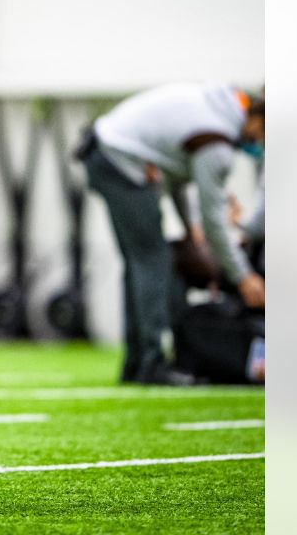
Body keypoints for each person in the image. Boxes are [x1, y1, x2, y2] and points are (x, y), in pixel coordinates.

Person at [78, 82, 264, 384]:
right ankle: (151, 365)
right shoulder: (217, 142)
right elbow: (214, 220)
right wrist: (243, 277)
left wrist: (189, 227)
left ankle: (137, 364)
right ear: (258, 118)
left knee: (141, 261)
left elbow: (174, 175)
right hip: (119, 158)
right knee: (153, 260)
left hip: (105, 150)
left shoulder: (218, 108)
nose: (261, 142)